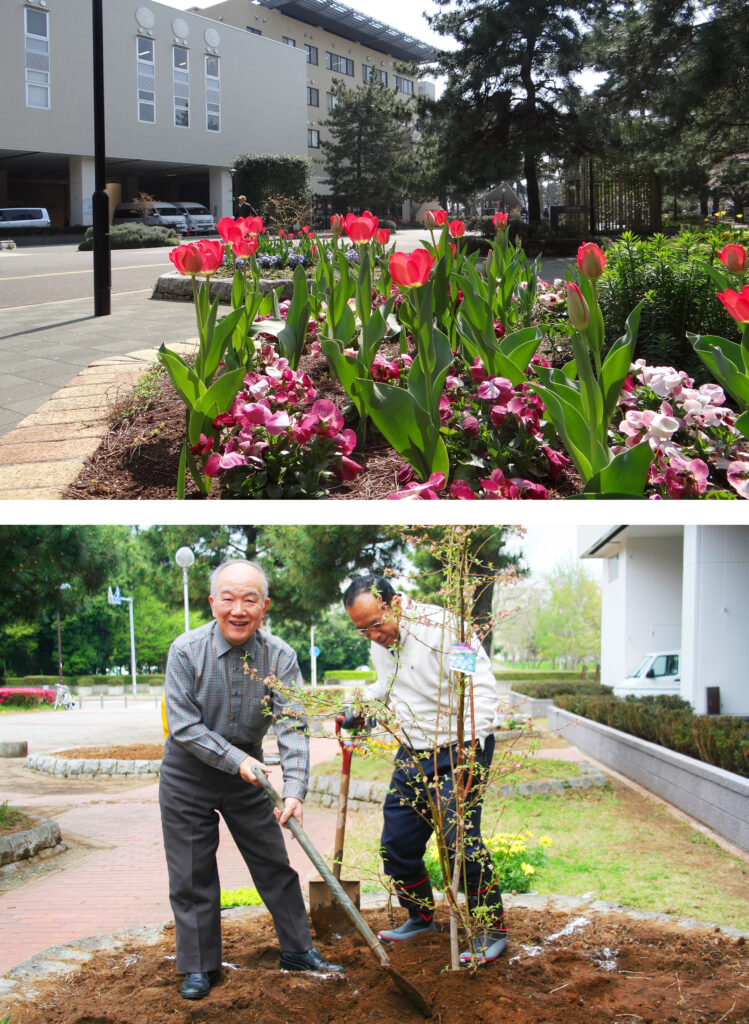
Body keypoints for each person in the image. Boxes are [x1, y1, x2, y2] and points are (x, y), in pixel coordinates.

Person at [160, 559, 342, 1000]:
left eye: (249, 599)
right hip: (188, 774)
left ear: (265, 606)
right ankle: (200, 966)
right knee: (192, 872)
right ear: (212, 603)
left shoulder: (279, 656)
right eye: (228, 598)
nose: (237, 609)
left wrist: (294, 790)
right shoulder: (186, 650)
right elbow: (183, 726)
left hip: (251, 777)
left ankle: (298, 950)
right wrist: (236, 759)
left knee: (274, 865)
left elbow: (293, 724)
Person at [342, 574, 506, 966]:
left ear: (395, 603)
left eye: (375, 624)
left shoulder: (448, 628)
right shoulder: (382, 643)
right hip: (413, 753)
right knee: (396, 844)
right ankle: (420, 916)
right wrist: (360, 705)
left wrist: (472, 753)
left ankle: (491, 930)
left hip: (460, 749)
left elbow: (479, 688)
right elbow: (387, 684)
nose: (372, 635)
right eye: (361, 629)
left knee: (459, 842)